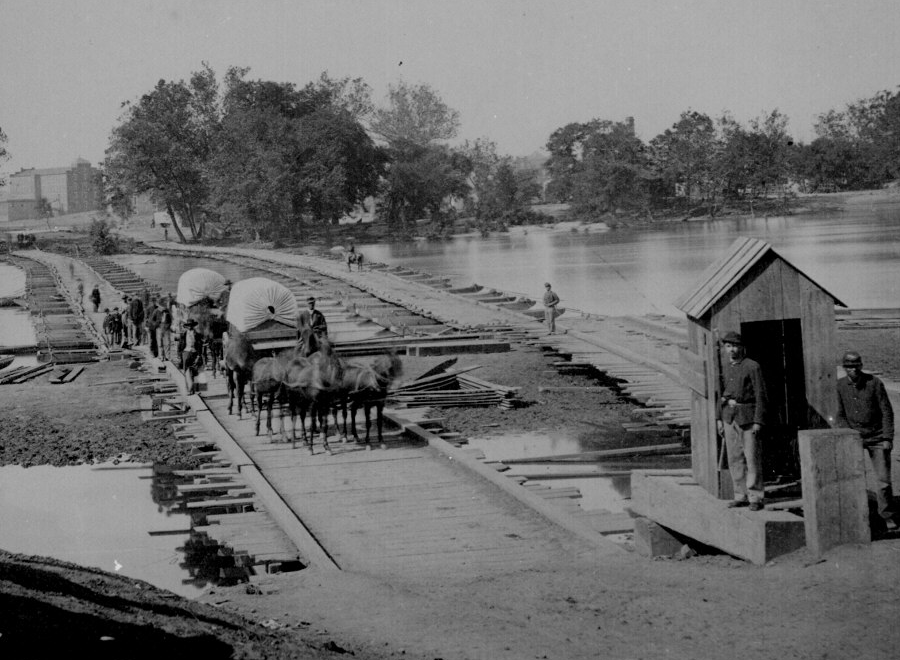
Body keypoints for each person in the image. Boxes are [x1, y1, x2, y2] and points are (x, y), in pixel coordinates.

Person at [835, 351, 898, 532]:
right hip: (855, 438)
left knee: (883, 481)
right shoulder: (840, 386)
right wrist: (848, 435)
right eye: (848, 366)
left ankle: (887, 515)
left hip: (877, 437)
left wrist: (887, 438)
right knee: (854, 478)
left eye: (855, 366)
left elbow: (887, 412)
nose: (852, 370)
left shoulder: (875, 383)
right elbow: (840, 415)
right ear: (844, 368)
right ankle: (859, 517)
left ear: (861, 366)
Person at [716, 331, 768, 511]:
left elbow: (761, 395)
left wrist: (758, 421)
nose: (732, 350)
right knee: (734, 458)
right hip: (729, 418)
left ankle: (755, 497)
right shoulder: (726, 367)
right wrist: (719, 419)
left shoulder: (752, 367)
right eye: (728, 346)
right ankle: (740, 495)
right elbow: (721, 395)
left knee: (752, 458)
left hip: (748, 418)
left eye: (735, 346)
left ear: (742, 347)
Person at [178, 319, 202, 395]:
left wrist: (199, 355)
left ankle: (194, 389)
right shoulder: (183, 334)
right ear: (186, 327)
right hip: (186, 352)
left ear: (193, 326)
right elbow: (180, 346)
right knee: (187, 371)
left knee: (195, 371)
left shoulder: (197, 334)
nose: (190, 327)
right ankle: (188, 389)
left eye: (191, 326)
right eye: (188, 326)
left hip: (194, 352)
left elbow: (200, 346)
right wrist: (179, 355)